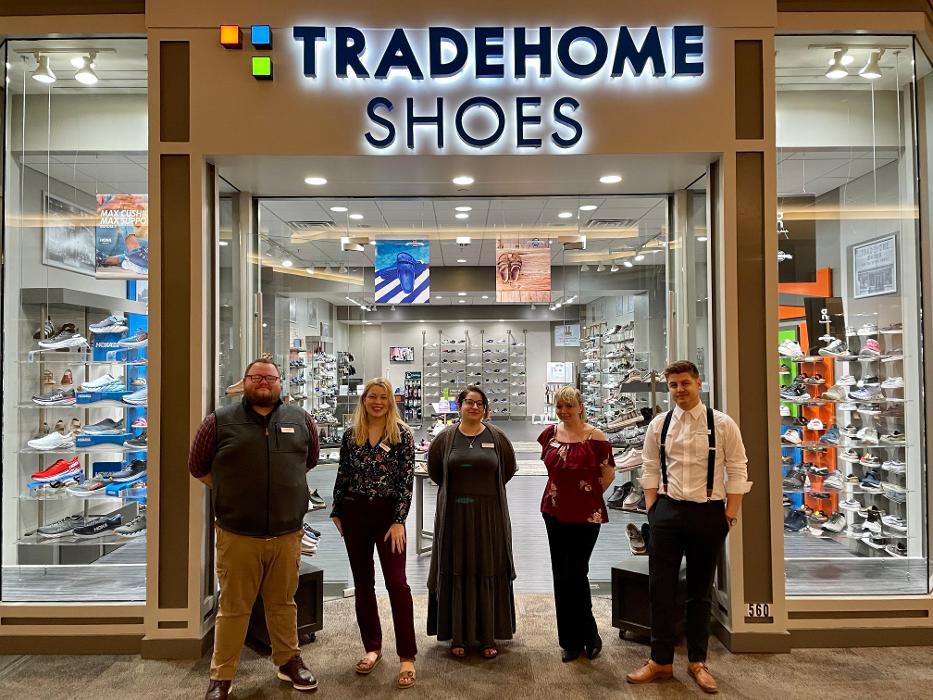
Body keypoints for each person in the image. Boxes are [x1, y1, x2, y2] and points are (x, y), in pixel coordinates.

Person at [189, 357, 320, 700]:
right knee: (234, 608)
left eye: (270, 378)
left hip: (287, 533)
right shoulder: (218, 421)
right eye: (256, 377)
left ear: (280, 383)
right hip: (238, 534)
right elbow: (197, 466)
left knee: (283, 603)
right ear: (244, 382)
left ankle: (288, 661)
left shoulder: (301, 420)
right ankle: (222, 676)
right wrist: (230, 491)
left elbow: (308, 462)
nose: (264, 383)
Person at [626, 360, 751, 694]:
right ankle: (660, 661)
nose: (679, 390)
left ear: (698, 383)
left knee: (700, 591)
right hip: (667, 511)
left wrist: (729, 515)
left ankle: (698, 661)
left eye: (685, 383)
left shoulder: (722, 424)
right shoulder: (659, 424)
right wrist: (652, 508)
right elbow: (650, 466)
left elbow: (738, 468)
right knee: (660, 589)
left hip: (709, 513)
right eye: (673, 385)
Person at [331, 378, 418, 690]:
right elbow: (343, 473)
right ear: (364, 400)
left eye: (383, 397)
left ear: (390, 401)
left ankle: (407, 656)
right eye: (372, 397)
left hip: (388, 518)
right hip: (355, 514)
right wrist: (337, 510)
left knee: (397, 584)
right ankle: (372, 647)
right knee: (363, 584)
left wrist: (399, 520)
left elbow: (406, 481)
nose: (377, 402)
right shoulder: (350, 435)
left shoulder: (402, 435)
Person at [426, 386, 518, 658]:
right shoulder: (445, 438)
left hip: (489, 516)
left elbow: (507, 470)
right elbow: (435, 472)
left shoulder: (497, 437)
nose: (474, 407)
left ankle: (488, 636)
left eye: (480, 403)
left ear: (485, 408)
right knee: (457, 567)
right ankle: (458, 635)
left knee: (487, 566)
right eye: (469, 402)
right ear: (460, 406)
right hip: (454, 516)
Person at [537, 385, 615, 662]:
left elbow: (608, 474)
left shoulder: (596, 437)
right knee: (561, 573)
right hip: (554, 511)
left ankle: (589, 633)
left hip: (586, 514)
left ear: (580, 407)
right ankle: (570, 640)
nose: (564, 411)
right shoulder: (550, 434)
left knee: (577, 572)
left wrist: (587, 497)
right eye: (559, 406)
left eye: (569, 406)